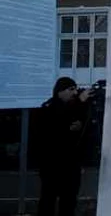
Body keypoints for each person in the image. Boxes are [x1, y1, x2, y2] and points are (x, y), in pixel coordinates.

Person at [37, 77, 94, 216]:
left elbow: (83, 128)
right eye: (71, 89)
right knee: (48, 201)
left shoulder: (75, 107)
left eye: (75, 89)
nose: (74, 93)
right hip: (52, 165)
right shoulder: (49, 107)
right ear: (59, 91)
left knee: (68, 202)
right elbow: (55, 126)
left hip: (71, 165)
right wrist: (80, 102)